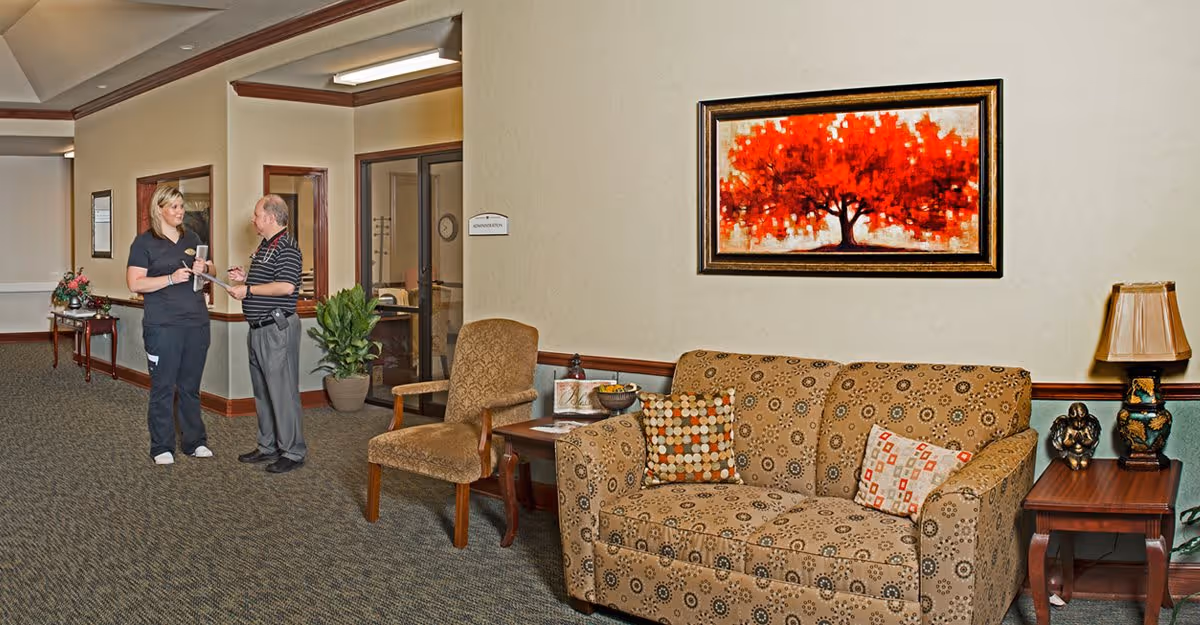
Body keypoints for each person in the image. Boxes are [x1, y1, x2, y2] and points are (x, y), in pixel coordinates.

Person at [125, 186, 213, 465]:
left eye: (181, 206)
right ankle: (161, 446)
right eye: (173, 206)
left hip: (196, 322)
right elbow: (135, 283)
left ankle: (194, 441)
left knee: (190, 386)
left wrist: (206, 269)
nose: (180, 211)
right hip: (163, 325)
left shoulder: (193, 237)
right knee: (163, 387)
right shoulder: (144, 243)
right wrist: (171, 279)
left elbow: (211, 269)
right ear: (159, 209)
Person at [225, 194, 306, 474]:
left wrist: (248, 290)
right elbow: (267, 283)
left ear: (271, 218)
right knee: (263, 392)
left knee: (282, 393)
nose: (253, 219)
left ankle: (293, 452)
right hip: (258, 328)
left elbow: (285, 287)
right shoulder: (265, 246)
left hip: (276, 330)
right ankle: (268, 446)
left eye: (257, 215)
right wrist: (244, 279)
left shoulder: (287, 248)